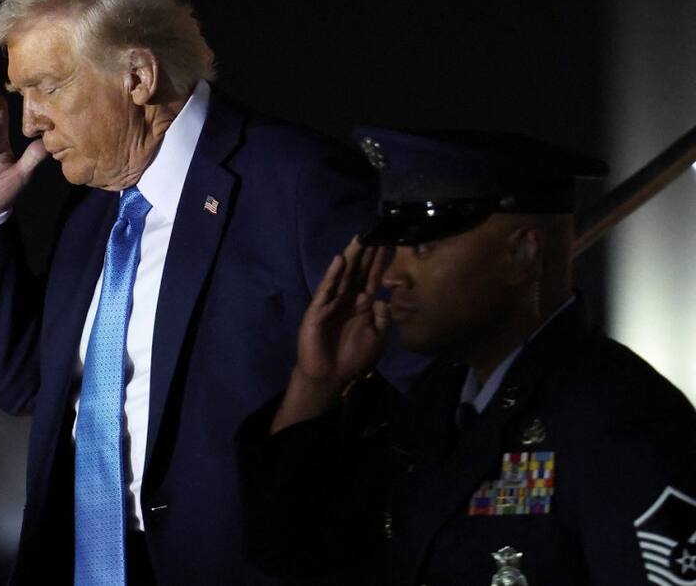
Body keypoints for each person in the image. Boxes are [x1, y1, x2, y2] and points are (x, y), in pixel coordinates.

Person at [0, 0, 406, 585]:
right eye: (21, 93)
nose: (30, 121)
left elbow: (404, 382)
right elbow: (27, 386)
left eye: (48, 86)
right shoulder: (92, 211)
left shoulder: (297, 184)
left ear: (138, 76)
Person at [238, 127, 696, 585]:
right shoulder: (429, 406)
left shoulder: (622, 421)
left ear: (522, 253)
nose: (393, 275)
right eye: (395, 248)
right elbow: (288, 549)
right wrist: (316, 384)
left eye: (423, 248)